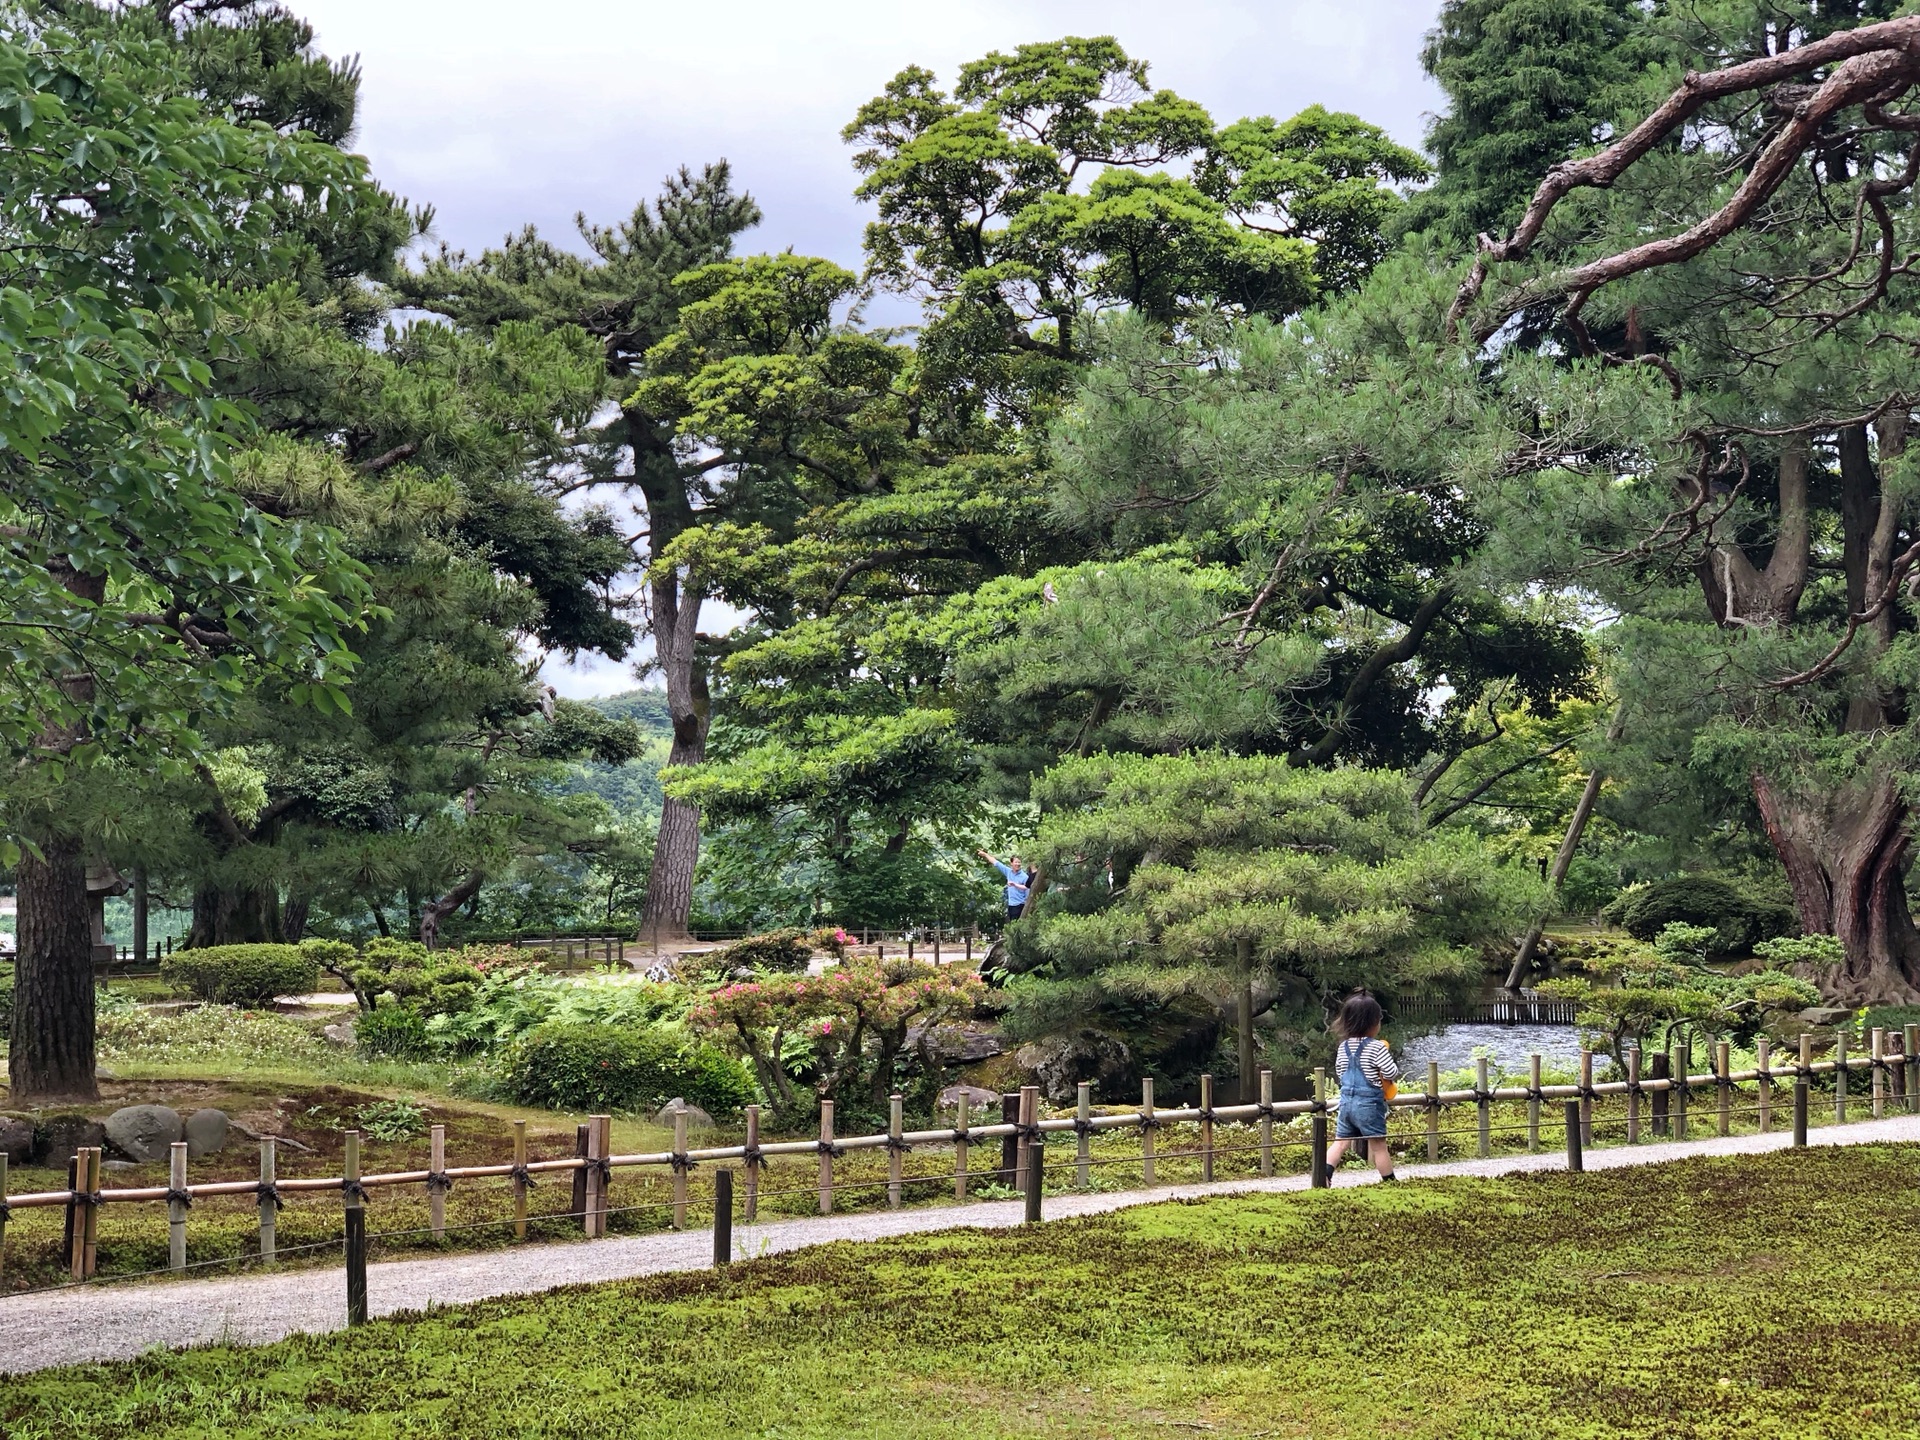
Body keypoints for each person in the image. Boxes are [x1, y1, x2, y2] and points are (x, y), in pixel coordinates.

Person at [1324, 991, 1399, 1183]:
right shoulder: (1376, 1047)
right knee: (1379, 1146)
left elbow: (1341, 1073)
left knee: (1340, 1144)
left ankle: (1324, 1176)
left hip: (1347, 1103)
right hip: (1369, 1105)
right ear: (1374, 1023)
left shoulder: (1343, 1047)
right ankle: (1390, 1182)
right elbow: (1391, 1072)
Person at [976, 849, 1033, 921]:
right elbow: (996, 863)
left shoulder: (1024, 877)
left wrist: (1015, 885)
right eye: (1016, 862)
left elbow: (1027, 889)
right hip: (1011, 905)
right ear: (1011, 863)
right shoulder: (1008, 872)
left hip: (1020, 905)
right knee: (1012, 926)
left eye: (1019, 862)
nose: (1018, 864)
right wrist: (984, 854)